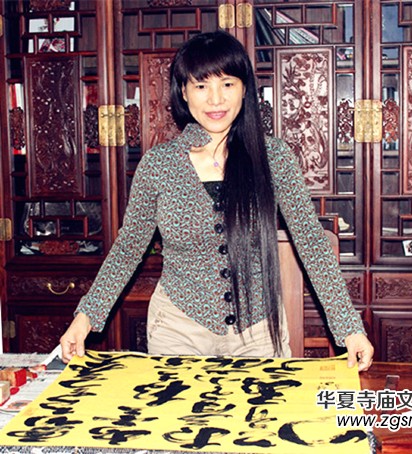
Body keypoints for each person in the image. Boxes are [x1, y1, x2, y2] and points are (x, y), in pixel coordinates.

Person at [60, 31, 374, 370]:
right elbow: (128, 247)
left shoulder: (274, 157)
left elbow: (311, 241)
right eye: (201, 86)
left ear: (244, 88)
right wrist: (85, 317)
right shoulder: (159, 165)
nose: (215, 99)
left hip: (258, 332)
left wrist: (349, 327)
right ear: (183, 92)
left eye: (227, 84)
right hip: (177, 328)